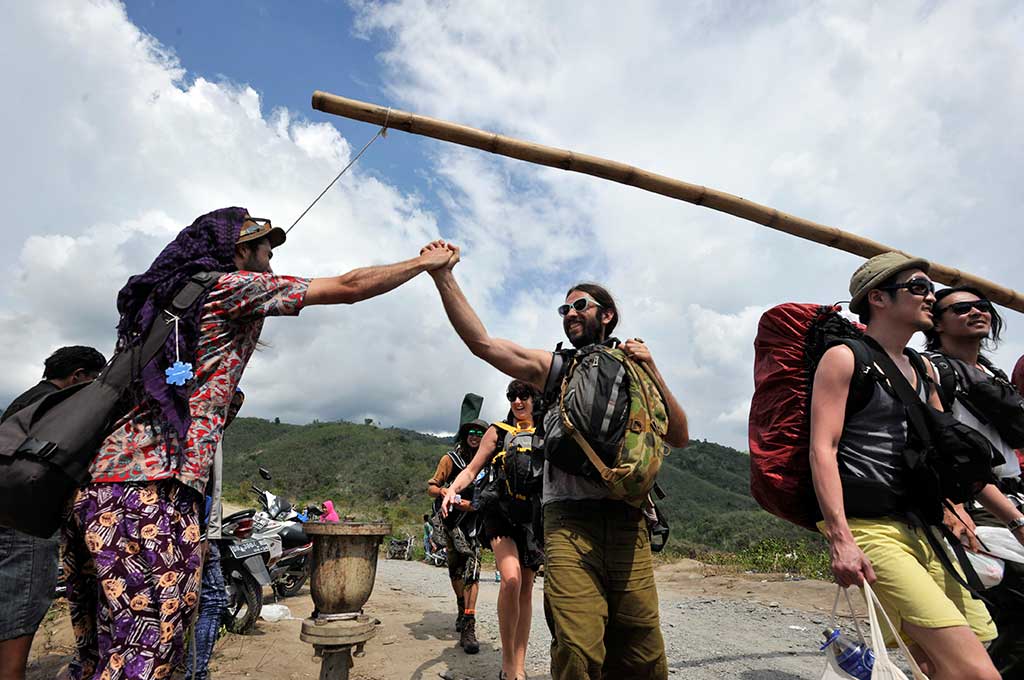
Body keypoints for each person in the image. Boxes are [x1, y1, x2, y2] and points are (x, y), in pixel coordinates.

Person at [60, 208, 455, 680]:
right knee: (148, 647)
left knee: (107, 648)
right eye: (265, 249)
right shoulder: (229, 286)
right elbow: (348, 287)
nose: (271, 261)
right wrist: (423, 264)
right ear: (240, 251)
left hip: (101, 491)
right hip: (150, 491)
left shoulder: (171, 305)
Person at [422, 241, 689, 680]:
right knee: (578, 648)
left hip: (629, 521)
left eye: (579, 305)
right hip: (568, 523)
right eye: (562, 310)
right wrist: (443, 277)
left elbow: (678, 435)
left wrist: (654, 368)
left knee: (643, 650)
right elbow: (484, 344)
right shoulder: (558, 369)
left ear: (606, 315)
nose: (569, 314)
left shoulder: (636, 369)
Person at [809, 252, 1000, 680]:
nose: (930, 296)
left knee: (941, 660)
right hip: (871, 527)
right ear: (877, 298)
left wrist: (955, 507)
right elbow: (823, 448)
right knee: (978, 672)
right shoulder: (844, 358)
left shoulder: (923, 368)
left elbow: (935, 448)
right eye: (917, 287)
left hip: (924, 526)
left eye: (929, 288)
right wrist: (840, 538)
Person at [922, 286, 1024, 675]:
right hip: (974, 506)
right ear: (938, 322)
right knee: (1004, 608)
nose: (976, 312)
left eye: (982, 306)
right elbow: (931, 445)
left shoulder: (992, 374)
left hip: (1010, 496)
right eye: (961, 308)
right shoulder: (931, 370)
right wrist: (950, 505)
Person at [0, 346, 106, 680]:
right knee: (21, 612)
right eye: (94, 380)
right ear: (78, 377)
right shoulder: (62, 407)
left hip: (9, 513)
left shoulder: (26, 401)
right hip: (27, 522)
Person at [441, 380, 544, 680]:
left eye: (524, 396)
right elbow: (472, 468)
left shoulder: (547, 432)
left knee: (525, 589)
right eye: (512, 396)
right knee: (510, 579)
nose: (517, 402)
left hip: (534, 517)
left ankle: (518, 667)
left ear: (536, 399)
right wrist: (452, 490)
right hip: (501, 511)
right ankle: (509, 664)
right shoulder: (498, 431)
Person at [184, 388, 244, 680]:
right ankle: (196, 673)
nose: (231, 414)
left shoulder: (209, 432)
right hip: (197, 531)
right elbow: (199, 488)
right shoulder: (204, 433)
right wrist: (205, 533)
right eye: (229, 406)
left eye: (236, 409)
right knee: (213, 601)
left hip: (198, 529)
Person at [427, 418, 487, 654]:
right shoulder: (450, 460)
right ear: (464, 435)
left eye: (480, 433)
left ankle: (469, 625)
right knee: (456, 570)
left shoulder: (488, 462)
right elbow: (432, 486)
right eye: (471, 432)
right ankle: (462, 607)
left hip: (476, 524)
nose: (475, 436)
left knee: (473, 568)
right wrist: (444, 492)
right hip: (452, 523)